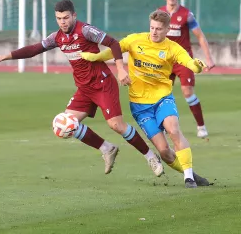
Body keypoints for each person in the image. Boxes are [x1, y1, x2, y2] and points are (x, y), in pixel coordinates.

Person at [0, 0, 164, 177]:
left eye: (66, 17)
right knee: (63, 125)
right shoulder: (57, 37)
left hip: (102, 84)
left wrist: (120, 69)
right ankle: (107, 148)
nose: (62, 22)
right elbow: (34, 49)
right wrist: (4, 56)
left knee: (116, 125)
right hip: (84, 89)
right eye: (59, 18)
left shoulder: (85, 30)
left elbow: (113, 43)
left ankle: (150, 157)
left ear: (74, 16)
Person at [80, 10, 211, 188]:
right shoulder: (136, 40)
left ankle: (188, 178)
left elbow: (188, 62)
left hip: (162, 98)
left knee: (173, 129)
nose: (154, 32)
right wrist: (96, 57)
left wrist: (196, 66)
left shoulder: (172, 48)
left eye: (158, 29)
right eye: (152, 27)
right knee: (165, 152)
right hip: (140, 106)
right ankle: (191, 174)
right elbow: (115, 49)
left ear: (167, 30)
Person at [158, 0, 215, 138]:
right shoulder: (160, 13)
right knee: (161, 93)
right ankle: (161, 126)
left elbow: (200, 36)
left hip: (183, 60)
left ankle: (201, 127)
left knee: (187, 91)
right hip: (165, 60)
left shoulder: (186, 14)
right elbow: (153, 36)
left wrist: (208, 58)